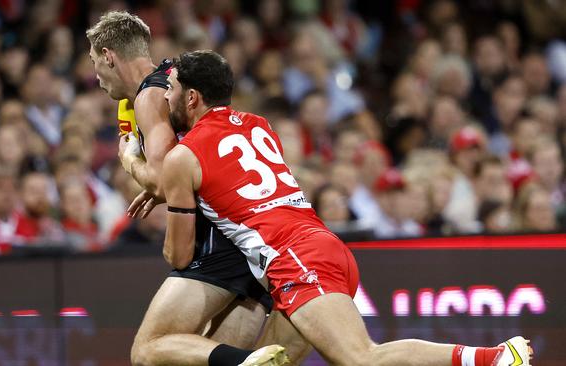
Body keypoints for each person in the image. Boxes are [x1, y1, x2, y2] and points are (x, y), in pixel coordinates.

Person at [160, 49, 533, 366]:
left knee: (361, 358)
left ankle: (494, 357)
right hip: (318, 245)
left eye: (171, 90)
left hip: (295, 258)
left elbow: (178, 254)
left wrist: (134, 154)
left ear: (192, 97)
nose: (165, 98)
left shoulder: (187, 154)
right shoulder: (259, 125)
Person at [86, 11, 292, 365]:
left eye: (94, 62)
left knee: (149, 350)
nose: (95, 75)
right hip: (255, 232)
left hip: (218, 233)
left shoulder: (150, 96)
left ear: (109, 55)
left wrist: (129, 160)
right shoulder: (176, 76)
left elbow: (168, 180)